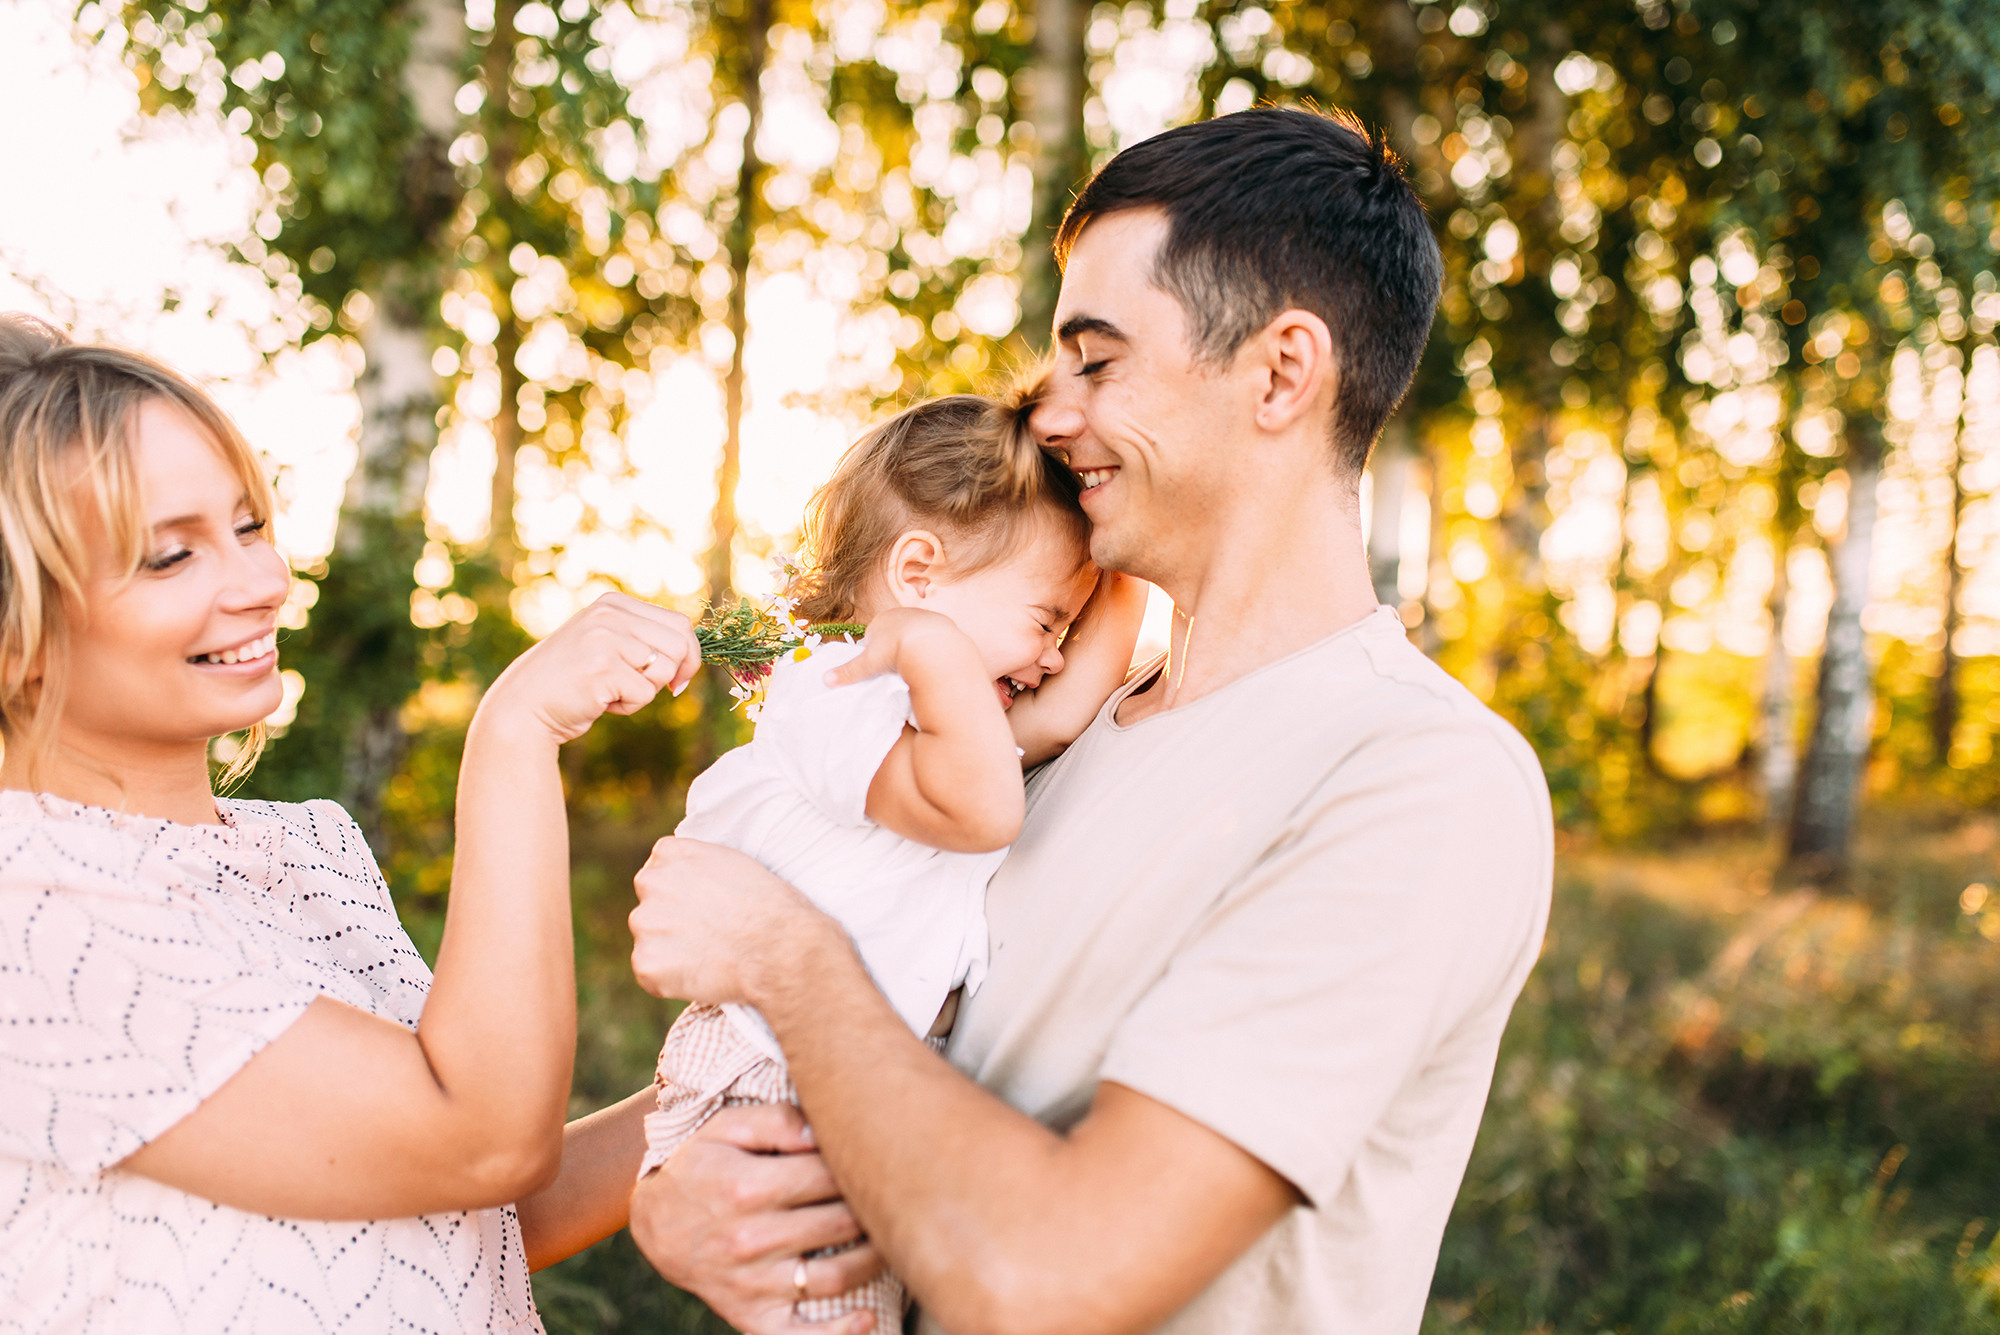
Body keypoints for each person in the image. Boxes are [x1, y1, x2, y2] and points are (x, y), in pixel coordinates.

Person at [622, 105, 1554, 1334]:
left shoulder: (1419, 778)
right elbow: (873, 1065)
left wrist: (787, 957)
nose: (1045, 412)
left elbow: (1051, 1277)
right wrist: (661, 1190)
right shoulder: (1056, 729)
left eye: (1095, 361)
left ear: (1281, 372)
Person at [0, 316, 876, 1333]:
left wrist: (773, 1066)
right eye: (168, 557)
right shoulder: (29, 903)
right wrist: (513, 734)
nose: (261, 582)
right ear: (19, 634)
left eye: (247, 527)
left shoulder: (301, 850)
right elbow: (480, 1140)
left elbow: (459, 1199)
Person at [638, 390, 1145, 1327]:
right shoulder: (832, 693)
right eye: (1041, 623)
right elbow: (985, 808)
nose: (1046, 660)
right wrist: (933, 652)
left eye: (1061, 632)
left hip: (844, 1065)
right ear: (918, 572)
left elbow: (1070, 706)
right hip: (767, 1077)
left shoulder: (950, 716)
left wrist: (1127, 537)